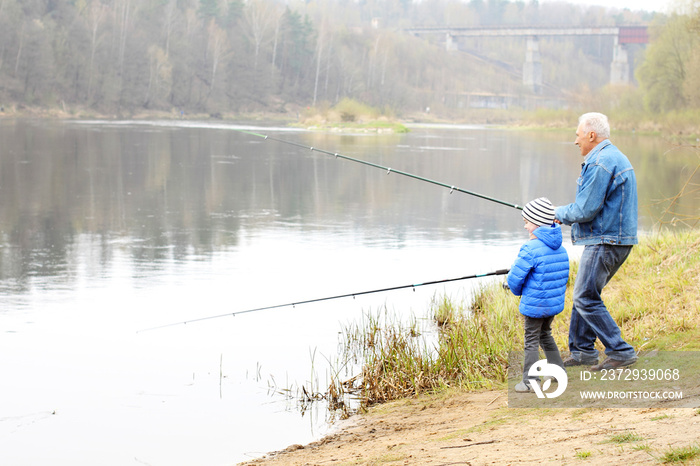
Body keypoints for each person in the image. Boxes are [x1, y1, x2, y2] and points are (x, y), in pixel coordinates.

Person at [555, 112, 638, 371]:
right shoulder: (611, 156)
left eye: (578, 135)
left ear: (592, 135)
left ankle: (620, 351)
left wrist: (554, 213)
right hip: (612, 238)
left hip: (607, 240)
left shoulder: (601, 161)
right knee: (587, 294)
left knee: (585, 297)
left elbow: (585, 210)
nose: (576, 140)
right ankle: (582, 351)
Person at [507, 197, 569, 393]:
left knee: (531, 341)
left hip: (535, 305)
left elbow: (514, 280)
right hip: (552, 304)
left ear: (537, 222)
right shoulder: (561, 248)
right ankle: (559, 370)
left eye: (526, 222)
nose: (525, 227)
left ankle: (528, 382)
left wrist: (517, 291)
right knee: (545, 334)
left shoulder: (529, 249)